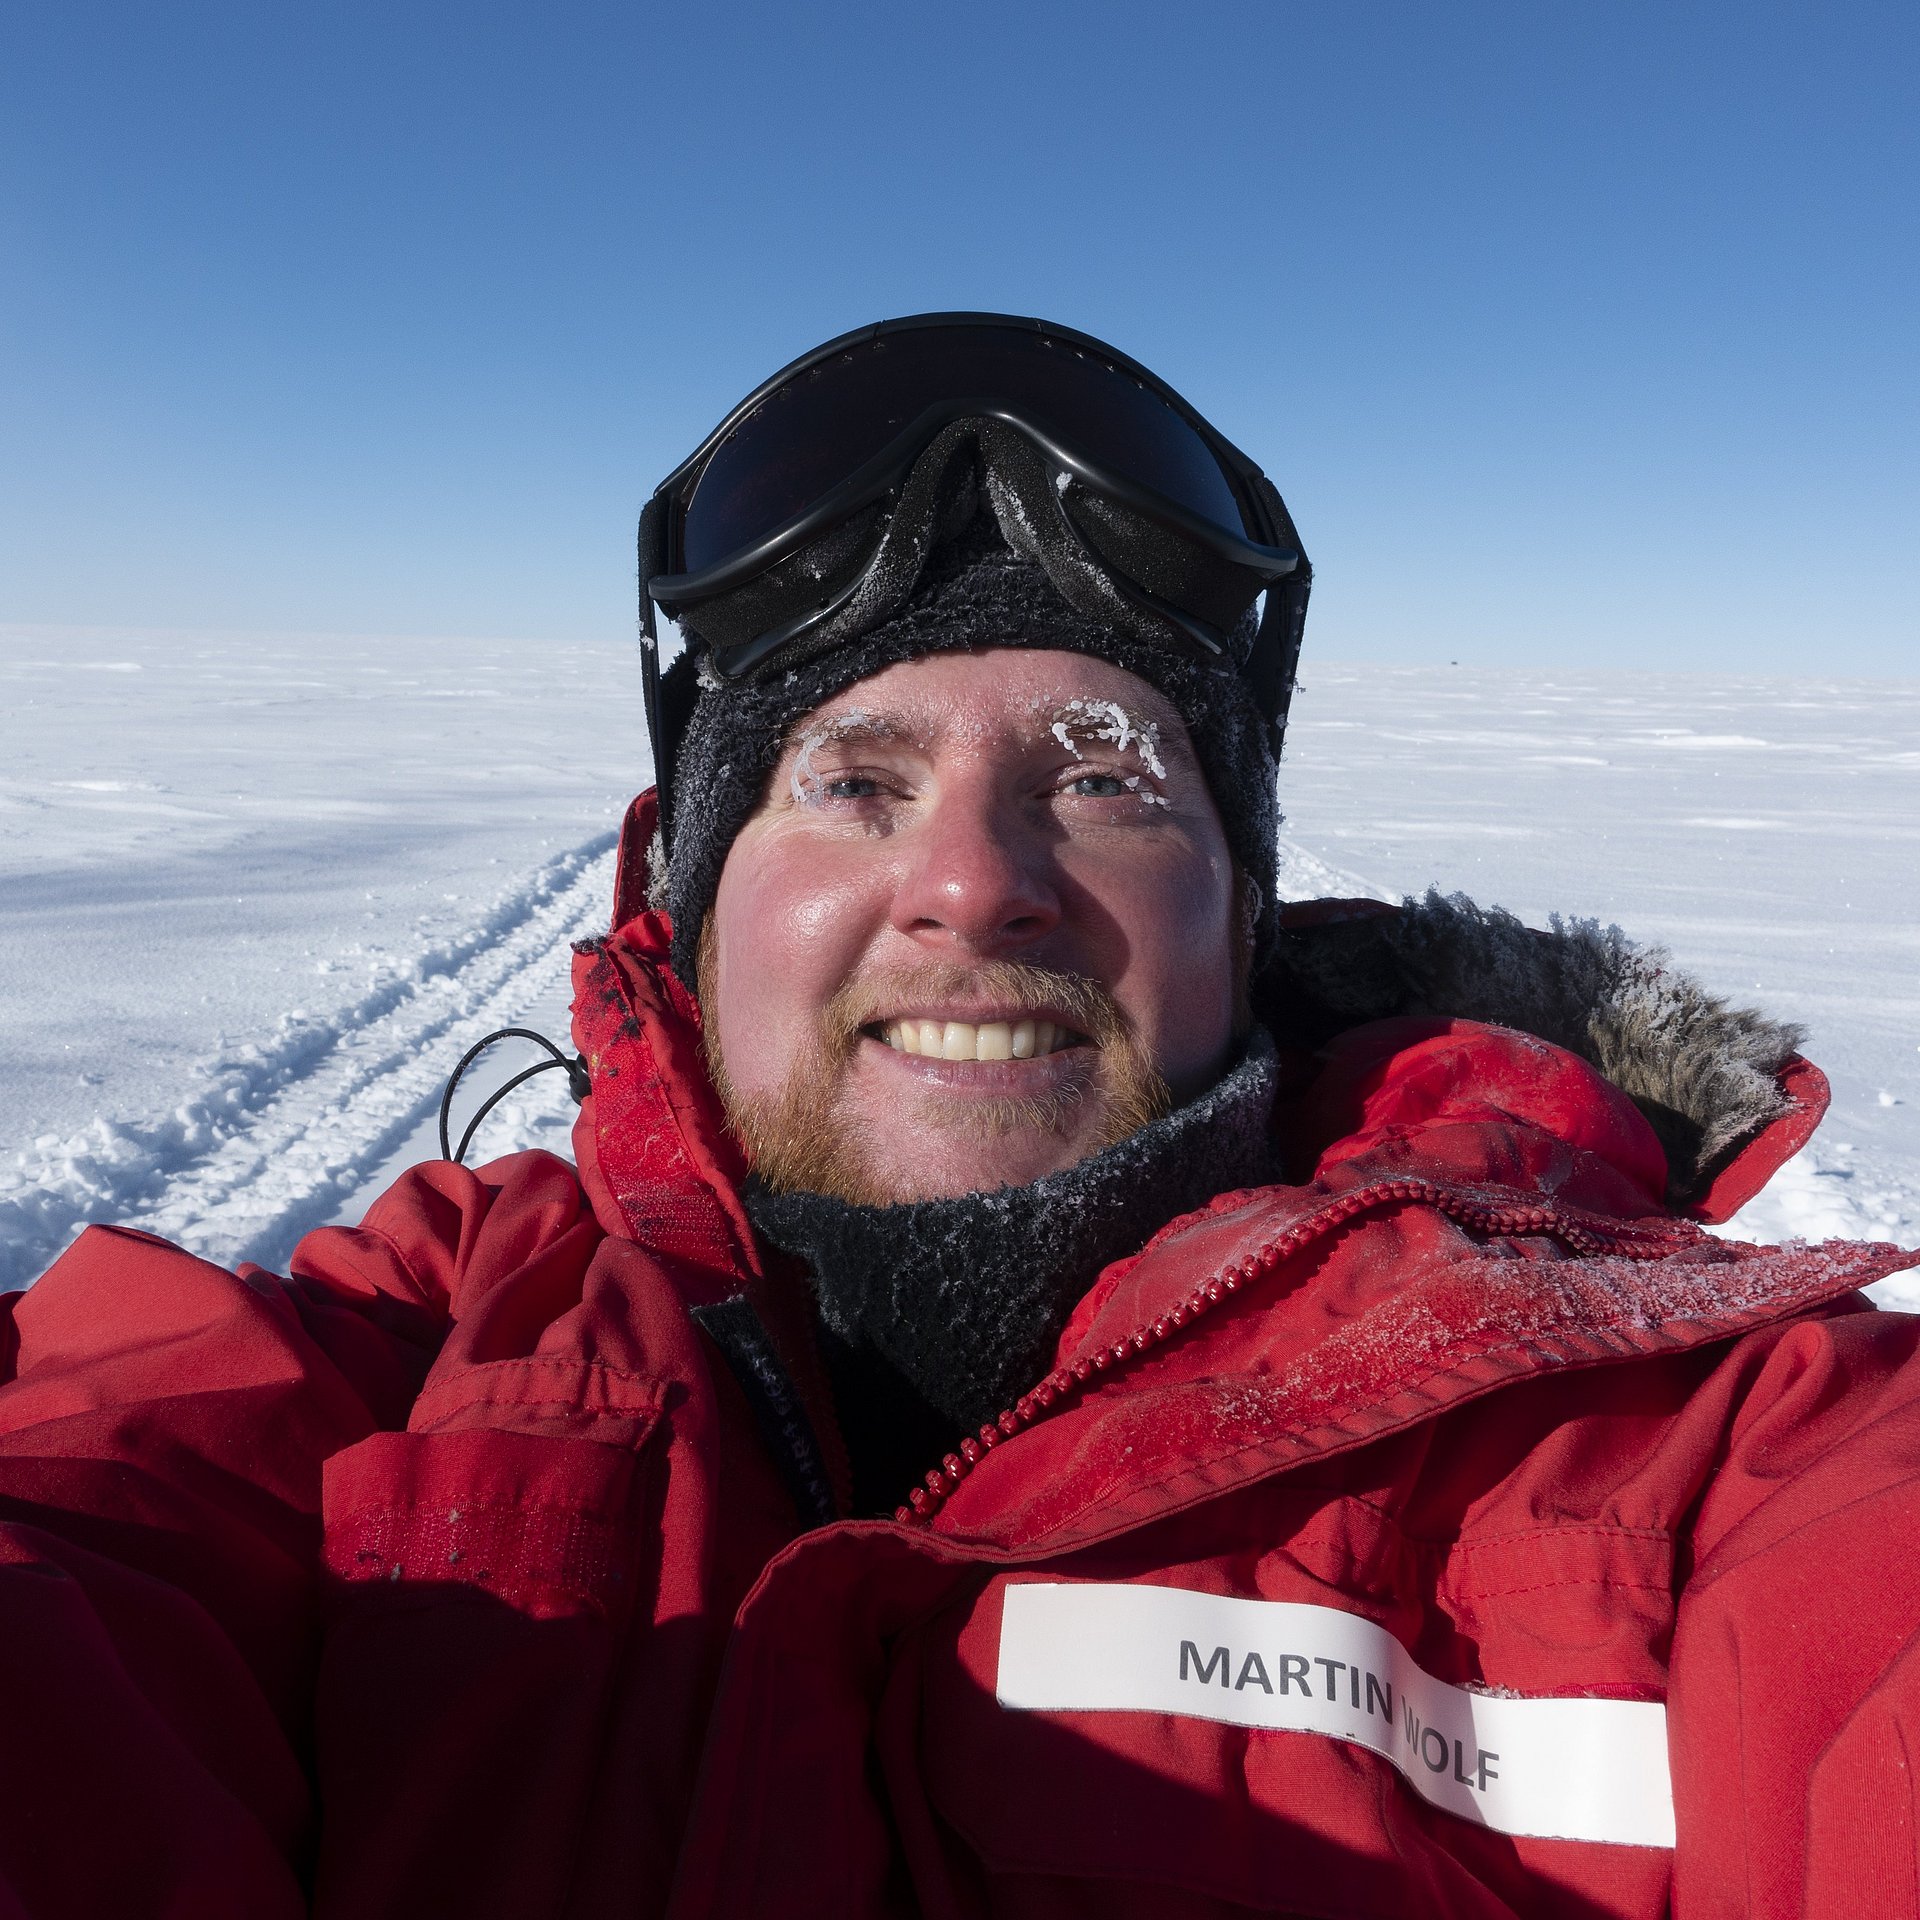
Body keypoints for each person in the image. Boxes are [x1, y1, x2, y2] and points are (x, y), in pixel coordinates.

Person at [0, 313, 1915, 1920]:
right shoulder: (366, 1374)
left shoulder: (1666, 1462)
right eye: (853, 781)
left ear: (1243, 918)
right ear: (689, 903)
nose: (973, 884)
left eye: (1104, 783)